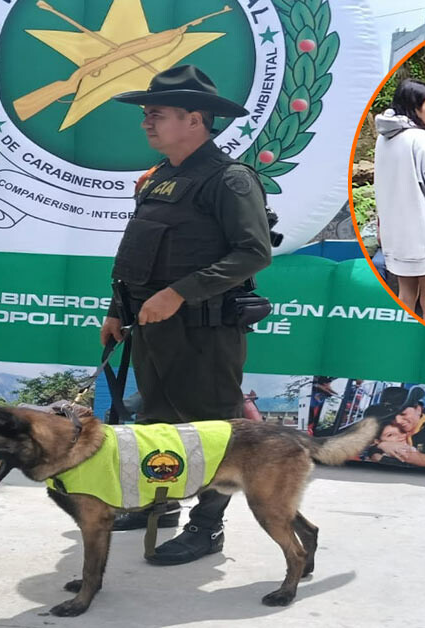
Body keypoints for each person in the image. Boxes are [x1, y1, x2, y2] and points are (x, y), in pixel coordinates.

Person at [100, 65, 273, 565]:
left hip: (205, 332)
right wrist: (117, 309)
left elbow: (253, 252)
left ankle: (208, 527)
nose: (145, 123)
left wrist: (179, 293)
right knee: (157, 423)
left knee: (212, 430)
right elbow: (139, 254)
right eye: (146, 114)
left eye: (156, 114)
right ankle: (161, 505)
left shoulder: (230, 179)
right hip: (151, 328)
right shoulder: (159, 178)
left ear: (194, 119)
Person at [374, 78, 425, 330]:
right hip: (424, 235)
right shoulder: (418, 138)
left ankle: (401, 350)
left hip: (397, 237)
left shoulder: (383, 139)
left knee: (406, 299)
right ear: (415, 108)